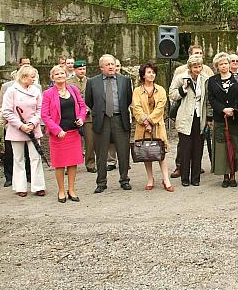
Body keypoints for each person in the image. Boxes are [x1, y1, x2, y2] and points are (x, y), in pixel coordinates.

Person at [85, 54, 134, 194]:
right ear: (101, 67)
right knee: (101, 153)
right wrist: (101, 111)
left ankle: (124, 180)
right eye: (107, 65)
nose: (111, 67)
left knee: (123, 151)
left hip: (120, 119)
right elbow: (89, 101)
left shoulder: (125, 80)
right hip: (102, 119)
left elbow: (128, 99)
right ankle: (101, 182)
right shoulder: (92, 82)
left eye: (112, 64)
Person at [41, 65, 86, 202]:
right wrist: (57, 130)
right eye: (57, 74)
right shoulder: (48, 93)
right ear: (52, 77)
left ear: (66, 75)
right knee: (60, 164)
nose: (60, 76)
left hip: (73, 132)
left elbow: (82, 106)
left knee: (73, 163)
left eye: (62, 73)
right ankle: (61, 190)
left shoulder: (73, 89)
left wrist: (81, 118)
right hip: (59, 135)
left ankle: (71, 190)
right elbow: (45, 115)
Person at [1, 65, 45, 197]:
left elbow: (40, 109)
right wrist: (21, 125)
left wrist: (32, 123)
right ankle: (20, 187)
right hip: (16, 129)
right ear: (24, 77)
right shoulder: (11, 91)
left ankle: (38, 186)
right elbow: (6, 111)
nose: (34, 79)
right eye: (32, 77)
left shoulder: (36, 90)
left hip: (33, 128)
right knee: (18, 158)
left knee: (36, 157)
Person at [171, 44, 213, 179]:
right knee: (185, 147)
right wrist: (183, 89)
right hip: (185, 116)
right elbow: (172, 94)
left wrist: (209, 117)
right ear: (190, 67)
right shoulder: (180, 76)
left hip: (200, 116)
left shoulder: (205, 78)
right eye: (195, 67)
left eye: (200, 67)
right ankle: (184, 176)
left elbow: (208, 98)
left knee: (198, 147)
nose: (198, 69)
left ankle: (195, 177)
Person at [132, 62, 173, 192]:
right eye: (149, 72)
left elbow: (160, 108)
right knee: (146, 152)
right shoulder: (137, 91)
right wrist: (145, 123)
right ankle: (150, 179)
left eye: (153, 72)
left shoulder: (161, 90)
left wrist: (150, 121)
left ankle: (166, 179)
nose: (152, 75)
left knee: (161, 151)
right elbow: (136, 108)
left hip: (157, 125)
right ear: (143, 75)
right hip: (142, 126)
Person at [207, 53, 238, 187]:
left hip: (235, 118)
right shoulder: (212, 81)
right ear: (217, 66)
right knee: (222, 147)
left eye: (225, 63)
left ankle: (233, 175)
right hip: (220, 118)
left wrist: (233, 109)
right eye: (221, 64)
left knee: (235, 146)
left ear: (229, 64)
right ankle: (225, 175)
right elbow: (211, 98)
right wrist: (223, 109)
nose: (223, 66)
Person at [0, 57, 34, 186]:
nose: (26, 66)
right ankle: (10, 177)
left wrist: (36, 124)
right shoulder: (7, 87)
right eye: (24, 64)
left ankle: (30, 176)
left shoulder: (36, 87)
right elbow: (2, 107)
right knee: (11, 153)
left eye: (28, 64)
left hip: (31, 125)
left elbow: (39, 108)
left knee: (31, 153)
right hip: (12, 125)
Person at [67, 60, 96, 173]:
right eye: (79, 69)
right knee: (71, 141)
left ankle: (90, 164)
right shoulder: (69, 82)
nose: (82, 71)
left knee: (90, 141)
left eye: (84, 69)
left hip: (88, 116)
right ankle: (70, 164)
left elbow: (93, 98)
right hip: (73, 115)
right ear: (75, 70)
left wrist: (88, 109)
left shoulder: (91, 81)